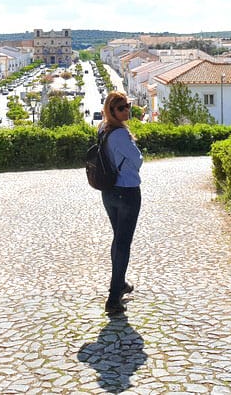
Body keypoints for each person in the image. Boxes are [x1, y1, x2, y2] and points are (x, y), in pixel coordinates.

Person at [98, 92, 143, 315]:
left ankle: (120, 283)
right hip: (127, 191)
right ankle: (114, 298)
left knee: (118, 240)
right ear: (112, 110)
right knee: (123, 243)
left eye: (127, 106)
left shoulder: (102, 129)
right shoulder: (120, 135)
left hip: (108, 191)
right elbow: (137, 160)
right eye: (122, 108)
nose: (127, 110)